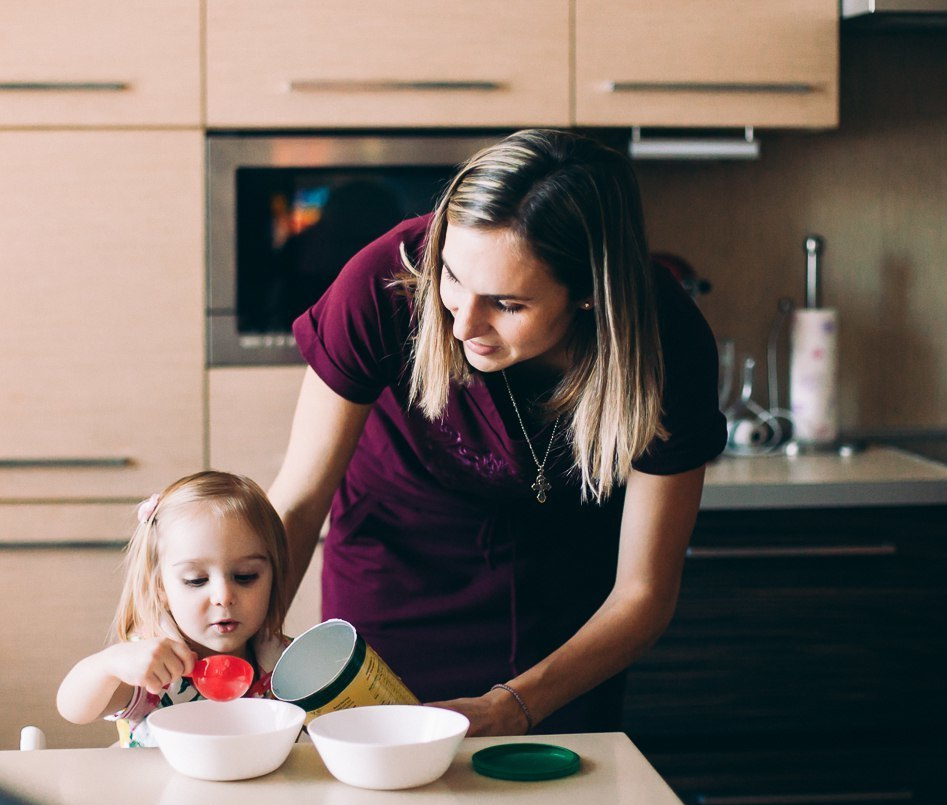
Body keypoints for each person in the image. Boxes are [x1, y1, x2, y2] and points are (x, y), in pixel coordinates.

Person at [268, 129, 727, 737]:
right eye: (452, 277)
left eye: (507, 304)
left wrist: (514, 705)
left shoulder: (665, 346)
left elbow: (644, 590)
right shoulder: (385, 280)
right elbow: (298, 503)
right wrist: (241, 651)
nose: (461, 324)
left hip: (571, 620)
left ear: (589, 292)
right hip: (394, 580)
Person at [56, 471, 293, 747]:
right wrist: (109, 665)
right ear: (161, 589)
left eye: (245, 576)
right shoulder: (150, 665)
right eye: (197, 580)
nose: (224, 596)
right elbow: (72, 709)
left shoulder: (284, 663)